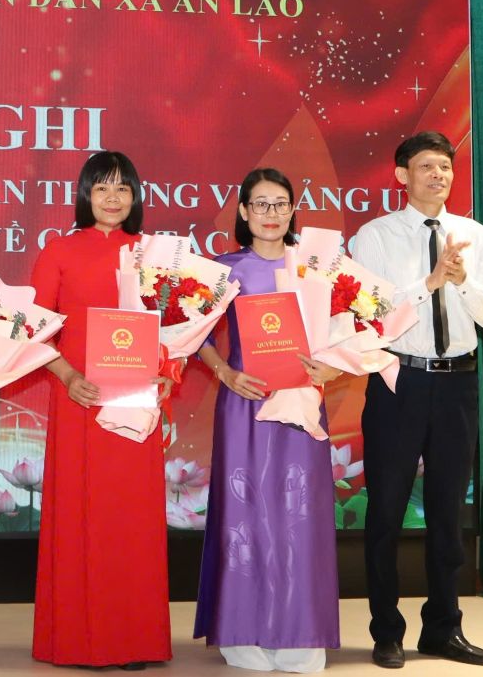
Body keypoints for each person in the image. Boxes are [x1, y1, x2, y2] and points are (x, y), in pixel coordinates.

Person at [352, 131, 483, 669]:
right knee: (386, 512)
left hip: (459, 382)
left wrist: (459, 282)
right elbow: (371, 314)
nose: (438, 175)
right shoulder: (374, 236)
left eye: (445, 167)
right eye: (426, 167)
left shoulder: (474, 235)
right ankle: (386, 631)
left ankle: (444, 628)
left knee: (446, 512)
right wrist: (430, 281)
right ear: (401, 175)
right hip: (399, 380)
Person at [193, 168, 342, 673]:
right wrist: (225, 374)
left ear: (293, 210)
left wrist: (332, 364)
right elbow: (197, 335)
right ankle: (245, 634)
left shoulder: (317, 270)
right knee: (246, 512)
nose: (271, 214)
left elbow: (347, 329)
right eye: (260, 204)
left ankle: (300, 638)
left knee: (301, 513)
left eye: (280, 204)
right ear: (242, 212)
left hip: (301, 403)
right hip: (245, 403)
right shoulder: (223, 269)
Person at [28, 151, 171, 669]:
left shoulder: (154, 254)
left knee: (131, 517)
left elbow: (174, 329)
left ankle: (134, 639)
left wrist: (163, 368)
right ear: (85, 194)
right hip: (80, 401)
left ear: (135, 197)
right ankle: (77, 639)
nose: (113, 199)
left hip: (136, 399)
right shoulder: (58, 251)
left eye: (123, 189)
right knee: (82, 515)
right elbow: (37, 329)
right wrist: (67, 376)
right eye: (102, 188)